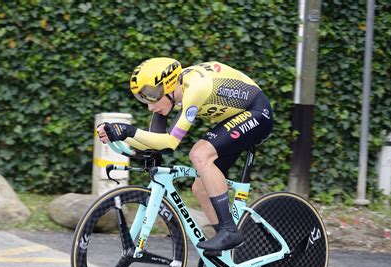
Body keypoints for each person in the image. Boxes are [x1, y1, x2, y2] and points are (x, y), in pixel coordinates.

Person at [97, 57, 273, 252]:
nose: (149, 105)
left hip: (257, 112)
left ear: (169, 85)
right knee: (200, 188)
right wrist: (118, 137)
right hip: (236, 117)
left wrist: (128, 131)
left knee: (199, 154)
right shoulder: (169, 93)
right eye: (144, 98)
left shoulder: (195, 88)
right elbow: (155, 144)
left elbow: (170, 142)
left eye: (152, 96)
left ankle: (229, 231)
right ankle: (226, 250)